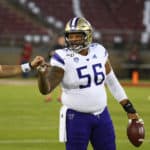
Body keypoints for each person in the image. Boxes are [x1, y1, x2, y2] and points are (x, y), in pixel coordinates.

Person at [36, 17, 143, 150]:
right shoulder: (61, 57)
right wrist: (41, 75)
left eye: (77, 36)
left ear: (88, 35)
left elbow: (112, 81)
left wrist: (129, 108)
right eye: (71, 36)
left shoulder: (99, 51)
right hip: (76, 118)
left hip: (102, 116)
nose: (73, 39)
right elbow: (46, 89)